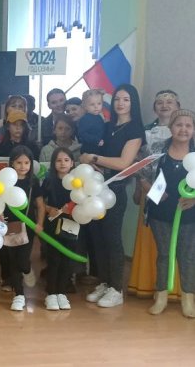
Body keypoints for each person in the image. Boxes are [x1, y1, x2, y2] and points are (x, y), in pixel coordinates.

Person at [80, 84, 145, 308]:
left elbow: (124, 163)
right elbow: (89, 148)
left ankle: (117, 289)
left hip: (115, 191)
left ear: (133, 103)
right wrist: (87, 159)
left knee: (112, 238)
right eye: (117, 99)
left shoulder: (135, 129)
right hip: (95, 187)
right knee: (98, 238)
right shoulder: (106, 126)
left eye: (126, 99)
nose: (120, 103)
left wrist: (94, 158)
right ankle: (105, 282)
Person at [129, 90, 181, 298]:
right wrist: (140, 187)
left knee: (177, 239)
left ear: (177, 106)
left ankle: (177, 290)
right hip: (150, 190)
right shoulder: (145, 132)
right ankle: (148, 285)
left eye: (169, 102)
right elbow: (138, 162)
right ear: (154, 108)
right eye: (160, 102)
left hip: (178, 193)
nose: (164, 105)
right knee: (151, 238)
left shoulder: (185, 130)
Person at [143, 109, 195, 316]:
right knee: (164, 254)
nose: (183, 129)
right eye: (178, 124)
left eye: (188, 125)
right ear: (171, 127)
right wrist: (154, 191)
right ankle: (161, 296)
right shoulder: (157, 149)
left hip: (190, 214)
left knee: (188, 256)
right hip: (161, 212)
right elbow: (142, 176)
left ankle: (188, 299)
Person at [1, 146, 45, 311]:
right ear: (12, 163)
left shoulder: (33, 182)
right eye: (19, 162)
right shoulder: (5, 181)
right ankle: (19, 295)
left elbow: (40, 205)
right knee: (13, 260)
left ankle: (27, 269)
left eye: (26, 162)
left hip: (29, 226)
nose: (23, 166)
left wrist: (40, 224)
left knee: (23, 260)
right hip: (9, 225)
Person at [40, 147, 79, 311]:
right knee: (53, 259)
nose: (62, 163)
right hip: (52, 225)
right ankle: (51, 293)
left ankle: (62, 292)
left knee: (66, 260)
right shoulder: (49, 180)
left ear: (72, 163)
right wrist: (49, 209)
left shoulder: (78, 182)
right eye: (58, 160)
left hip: (72, 225)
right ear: (53, 163)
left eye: (66, 160)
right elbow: (40, 202)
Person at [77, 89, 106, 154]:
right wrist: (96, 141)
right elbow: (82, 134)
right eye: (92, 104)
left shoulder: (99, 117)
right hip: (89, 149)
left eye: (99, 103)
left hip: (100, 148)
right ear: (85, 106)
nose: (96, 106)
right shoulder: (85, 119)